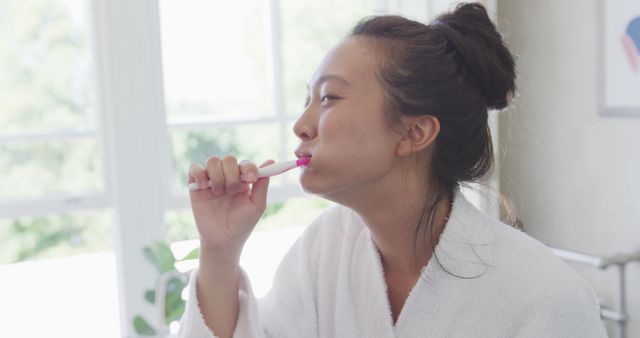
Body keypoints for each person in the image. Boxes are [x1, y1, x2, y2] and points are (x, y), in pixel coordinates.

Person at [179, 3, 607, 337]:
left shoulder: (546, 299)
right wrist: (220, 249)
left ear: (415, 132)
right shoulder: (324, 249)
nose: (301, 125)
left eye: (328, 98)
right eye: (307, 99)